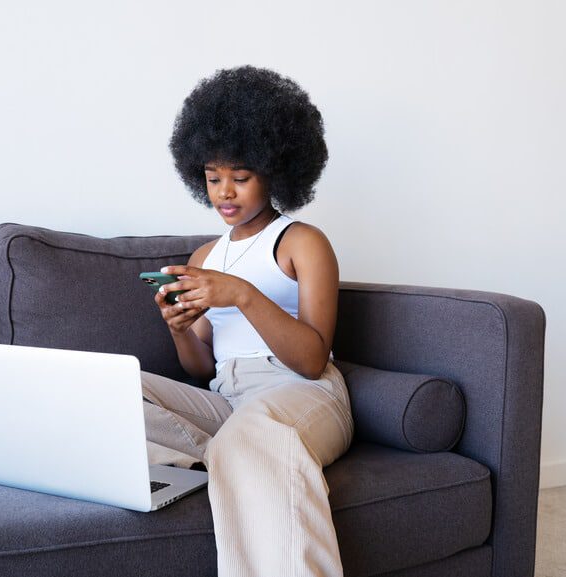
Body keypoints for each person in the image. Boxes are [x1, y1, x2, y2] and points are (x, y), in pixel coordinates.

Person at [140, 65, 354, 577]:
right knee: (113, 390)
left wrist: (240, 293)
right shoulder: (205, 256)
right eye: (213, 178)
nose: (225, 193)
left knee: (253, 431)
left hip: (303, 394)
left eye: (240, 176)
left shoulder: (302, 241)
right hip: (228, 401)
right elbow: (198, 365)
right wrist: (178, 325)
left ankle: (238, 456)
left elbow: (310, 359)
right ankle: (238, 459)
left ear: (275, 170)